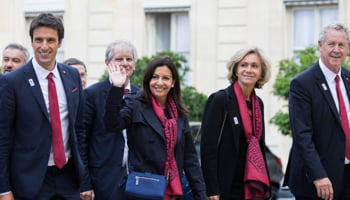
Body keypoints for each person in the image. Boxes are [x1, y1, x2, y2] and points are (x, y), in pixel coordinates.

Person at [0, 13, 94, 200]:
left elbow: (79, 131)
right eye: (39, 40)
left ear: (60, 43)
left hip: (69, 179)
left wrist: (85, 181)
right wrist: (4, 189)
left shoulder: (72, 76)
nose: (44, 46)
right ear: (32, 42)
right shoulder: (12, 82)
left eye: (50, 40)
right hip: (30, 182)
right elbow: (3, 138)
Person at [104, 56, 208, 200]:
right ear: (148, 81)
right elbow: (112, 124)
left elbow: (190, 159)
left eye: (165, 78)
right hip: (142, 189)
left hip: (172, 189)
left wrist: (201, 195)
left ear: (173, 83)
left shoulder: (179, 114)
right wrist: (116, 88)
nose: (159, 82)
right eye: (155, 77)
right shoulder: (135, 104)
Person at [283, 22, 350, 200]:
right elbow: (302, 135)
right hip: (317, 182)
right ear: (320, 46)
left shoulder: (348, 78)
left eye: (341, 45)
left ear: (348, 48)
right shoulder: (302, 84)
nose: (336, 50)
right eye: (331, 44)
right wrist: (318, 175)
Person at [200, 46, 272, 200]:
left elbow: (259, 146)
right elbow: (208, 149)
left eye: (254, 66)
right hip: (225, 186)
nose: (249, 70)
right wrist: (212, 189)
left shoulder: (258, 104)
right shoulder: (220, 100)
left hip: (251, 184)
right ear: (235, 70)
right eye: (244, 65)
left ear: (261, 72)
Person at [81, 40, 139, 200]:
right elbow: (82, 142)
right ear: (108, 63)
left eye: (129, 59)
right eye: (119, 59)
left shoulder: (142, 95)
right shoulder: (92, 95)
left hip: (136, 179)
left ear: (134, 64)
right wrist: (85, 183)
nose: (125, 63)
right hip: (103, 179)